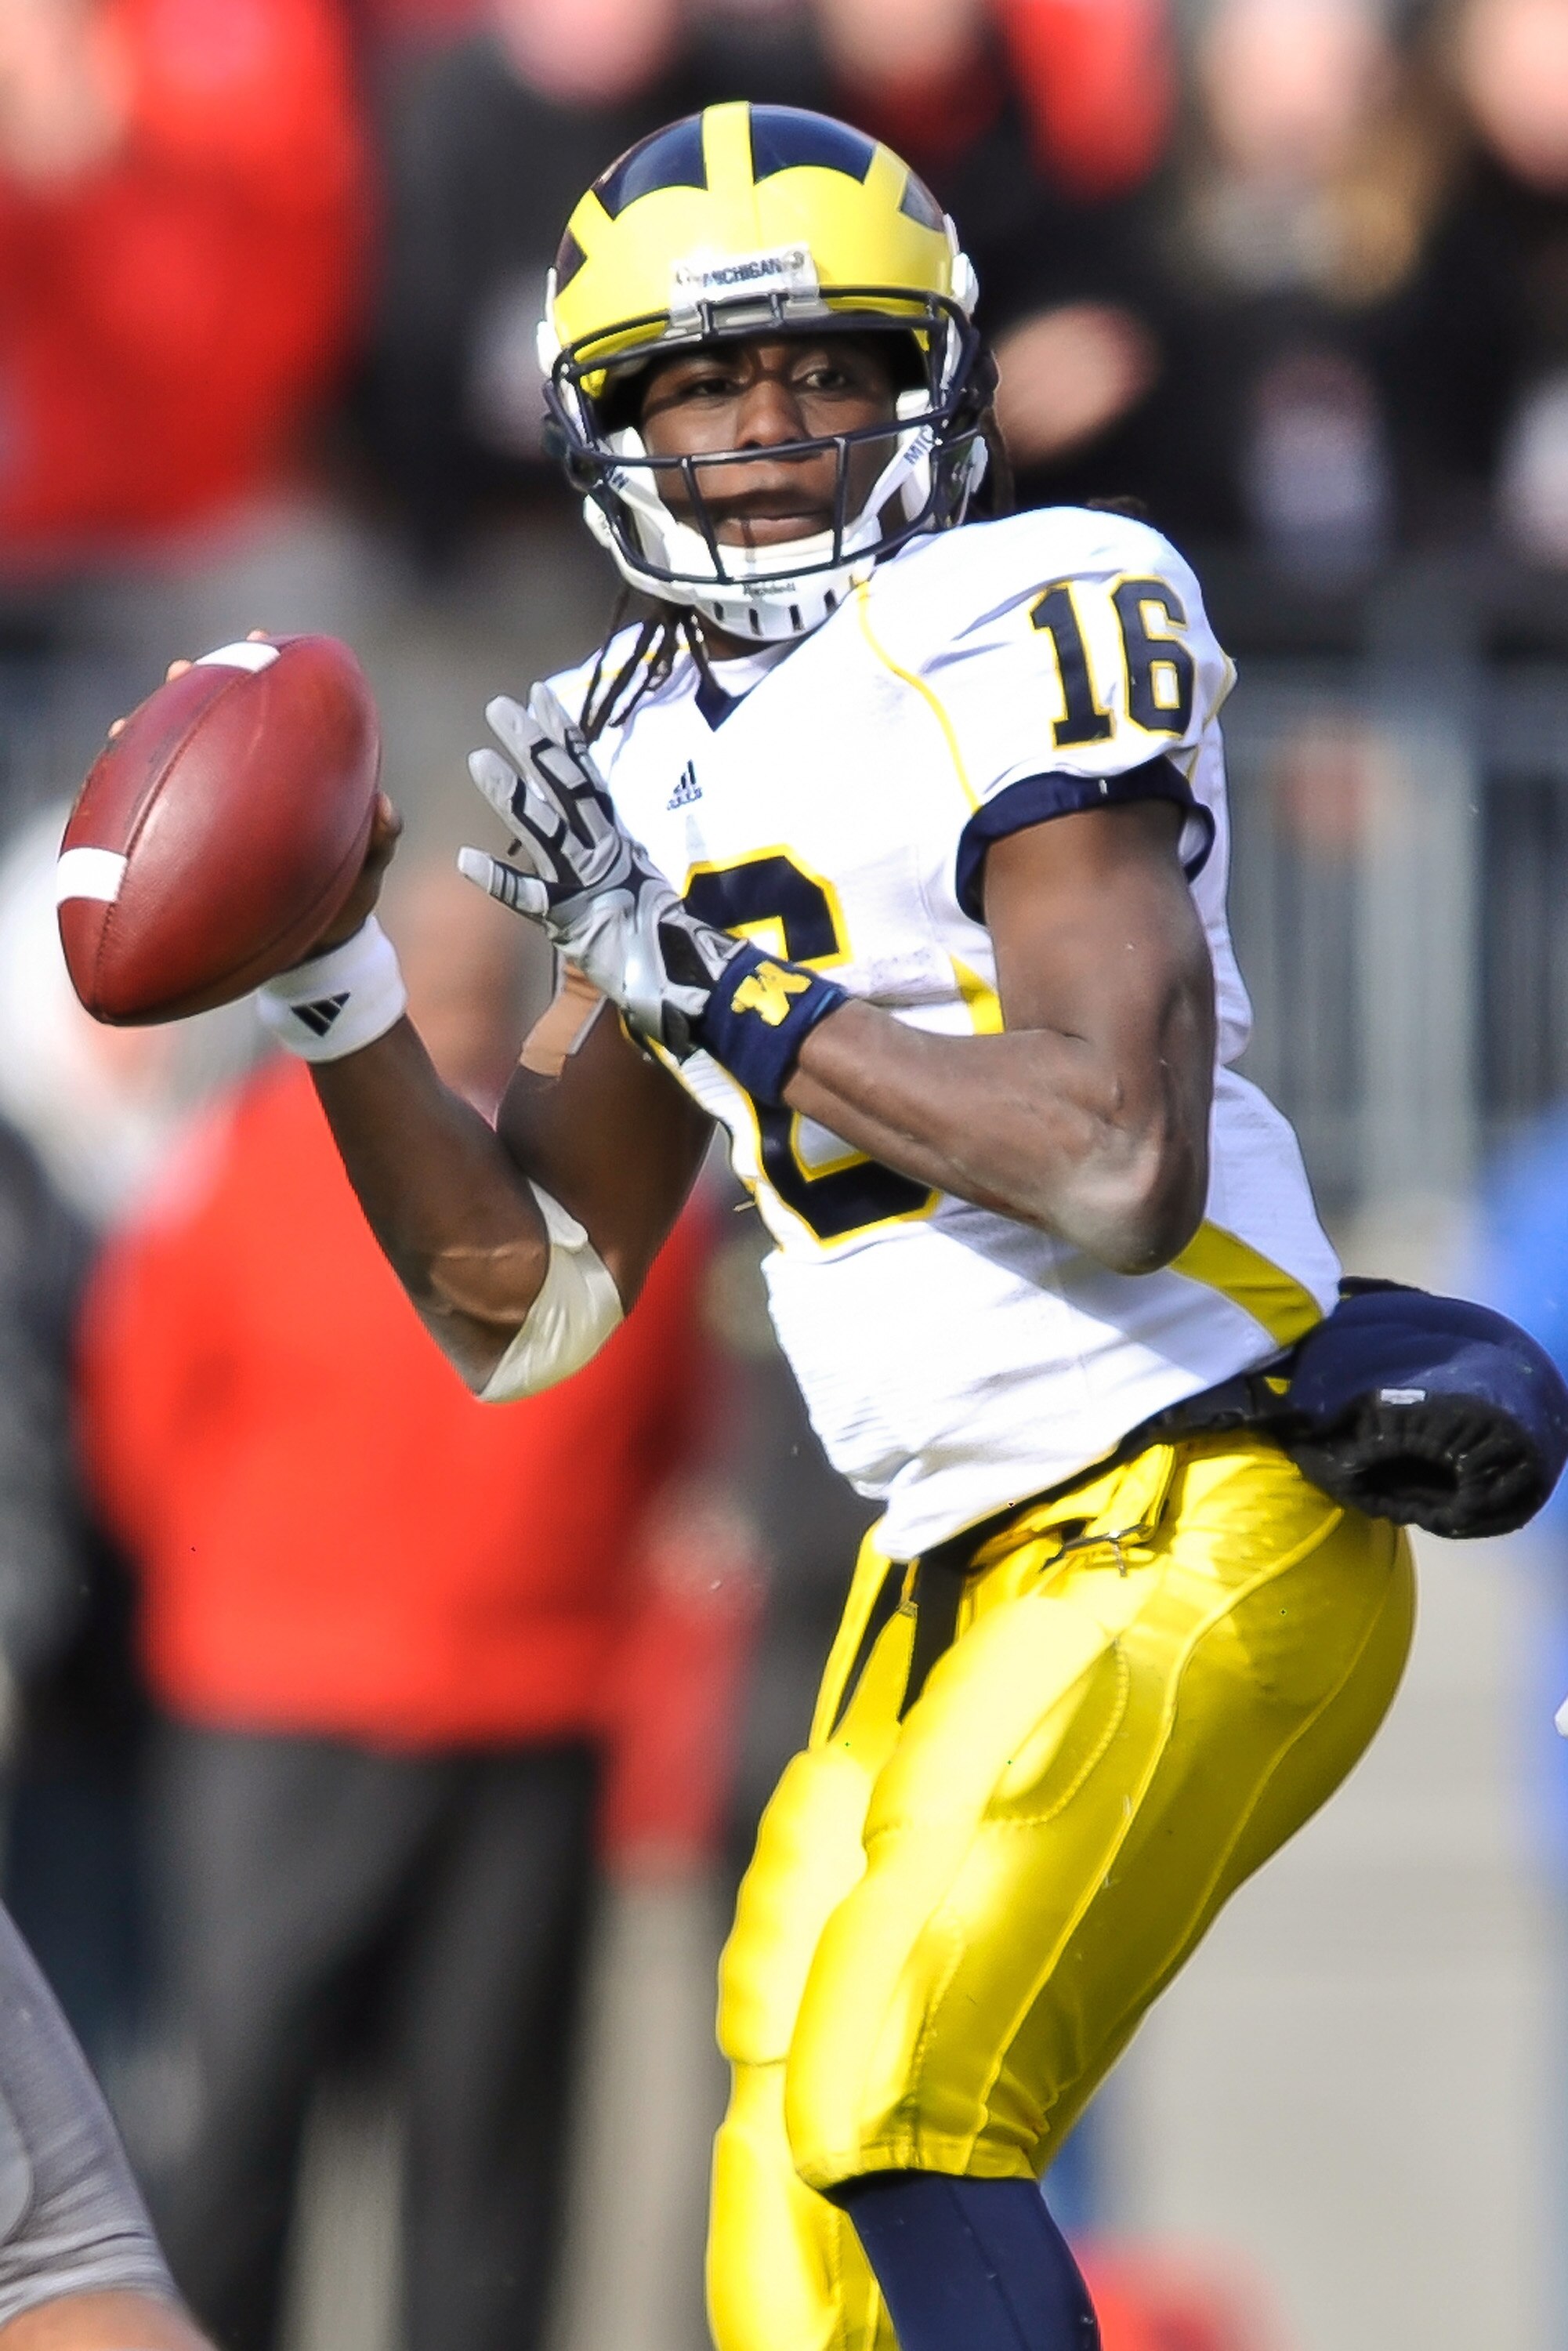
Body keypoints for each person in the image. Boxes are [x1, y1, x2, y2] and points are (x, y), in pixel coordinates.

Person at [212, 101, 1418, 2351]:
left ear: (925, 387)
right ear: (609, 422)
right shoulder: (627, 733)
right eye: (698, 380)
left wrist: (703, 986)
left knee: (900, 2101)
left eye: (826, 371)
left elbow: (1109, 1159)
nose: (766, 431)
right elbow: (530, 1302)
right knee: (783, 2239)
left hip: (1190, 1490)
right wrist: (338, 986)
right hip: (934, 1553)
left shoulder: (1028, 605)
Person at [77, 862, 726, 2351]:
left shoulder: (608, 1188)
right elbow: (141, 1409)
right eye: (419, 960)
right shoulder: (237, 1157)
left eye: (471, 963)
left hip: (524, 1721)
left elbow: (668, 1440)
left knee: (488, 2167)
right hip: (277, 1715)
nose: (450, 987)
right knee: (233, 2127)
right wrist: (254, 1602)